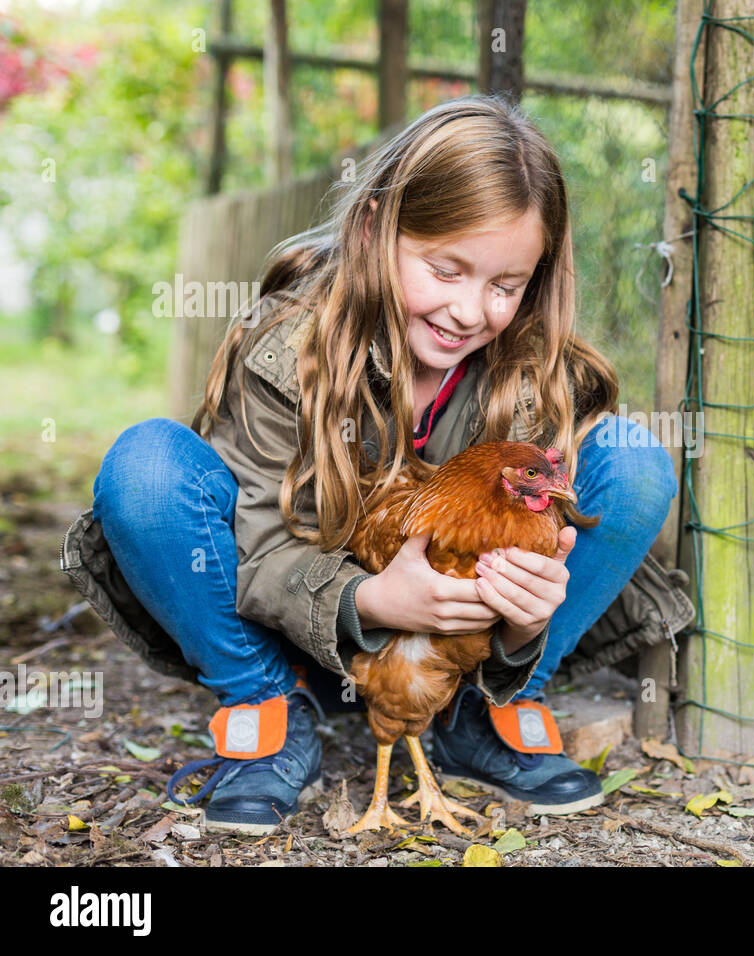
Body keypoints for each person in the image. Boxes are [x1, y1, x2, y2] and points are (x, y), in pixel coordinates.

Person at [68, 93, 684, 834]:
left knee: (636, 461)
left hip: (451, 654)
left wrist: (526, 623)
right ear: (374, 228)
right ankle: (263, 704)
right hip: (294, 631)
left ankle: (487, 709)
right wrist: (371, 603)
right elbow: (256, 544)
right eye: (445, 269)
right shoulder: (289, 346)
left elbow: (539, 535)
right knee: (145, 467)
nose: (469, 310)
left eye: (505, 286)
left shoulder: (529, 371)